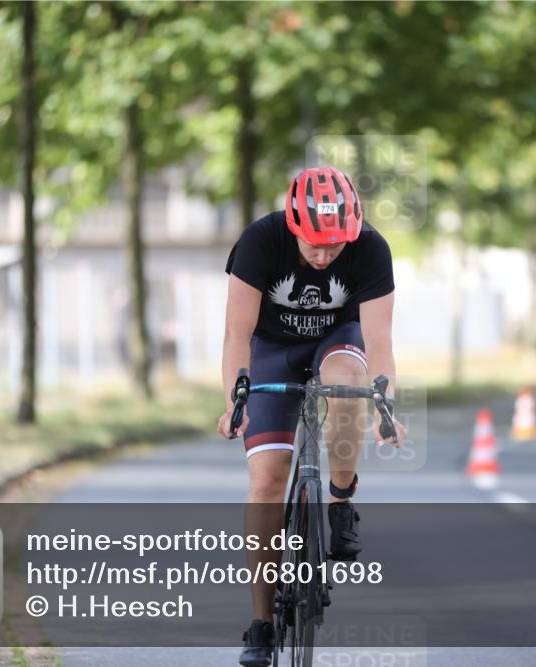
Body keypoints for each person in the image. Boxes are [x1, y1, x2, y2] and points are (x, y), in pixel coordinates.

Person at [217, 166, 408, 666]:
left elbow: (381, 341)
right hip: (271, 348)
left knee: (348, 383)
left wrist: (386, 404)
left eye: (335, 247)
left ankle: (341, 499)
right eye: (313, 247)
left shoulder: (371, 249)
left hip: (337, 340)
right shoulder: (259, 241)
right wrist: (235, 400)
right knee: (265, 482)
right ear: (293, 226)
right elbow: (237, 333)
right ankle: (260, 624)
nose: (324, 257)